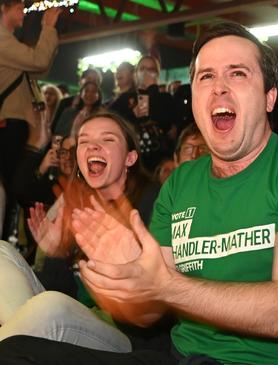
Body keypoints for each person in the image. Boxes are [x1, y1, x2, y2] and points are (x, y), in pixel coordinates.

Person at [0, 21, 278, 365]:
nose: (219, 88)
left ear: (269, 97)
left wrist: (164, 285)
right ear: (195, 97)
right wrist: (126, 281)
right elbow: (151, 313)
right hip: (178, 355)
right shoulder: (182, 182)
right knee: (17, 352)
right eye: (206, 77)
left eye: (238, 74)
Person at [0, 112, 159, 353]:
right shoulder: (77, 202)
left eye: (107, 139)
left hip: (127, 337)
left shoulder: (154, 202)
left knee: (48, 307)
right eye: (84, 141)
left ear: (130, 157)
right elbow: (62, 294)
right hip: (69, 318)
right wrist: (57, 253)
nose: (93, 145)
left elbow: (157, 309)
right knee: (2, 252)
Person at [0, 1, 60, 239]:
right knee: (15, 187)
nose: (23, 12)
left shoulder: (8, 41)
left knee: (16, 188)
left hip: (13, 125)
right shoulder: (1, 40)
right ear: (3, 8)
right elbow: (39, 61)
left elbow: (37, 68)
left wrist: (49, 36)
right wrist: (48, 28)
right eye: (18, 7)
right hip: (9, 126)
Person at [109, 56, 179, 171]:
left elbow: (165, 121)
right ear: (135, 74)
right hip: (135, 163)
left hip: (162, 161)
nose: (146, 73)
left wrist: (152, 88)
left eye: (151, 69)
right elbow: (112, 122)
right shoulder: (125, 98)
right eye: (142, 69)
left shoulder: (165, 98)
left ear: (157, 74)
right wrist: (132, 115)